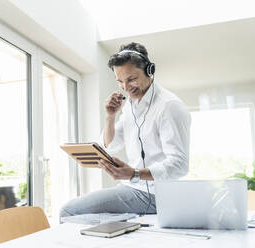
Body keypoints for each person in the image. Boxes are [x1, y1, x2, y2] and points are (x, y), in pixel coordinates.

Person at [60, 42, 191, 219]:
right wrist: (110, 116)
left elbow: (179, 165)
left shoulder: (169, 106)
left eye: (131, 79)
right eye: (120, 81)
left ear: (149, 70)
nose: (126, 87)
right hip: (131, 187)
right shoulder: (131, 106)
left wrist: (135, 174)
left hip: (155, 194)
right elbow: (110, 146)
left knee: (68, 211)